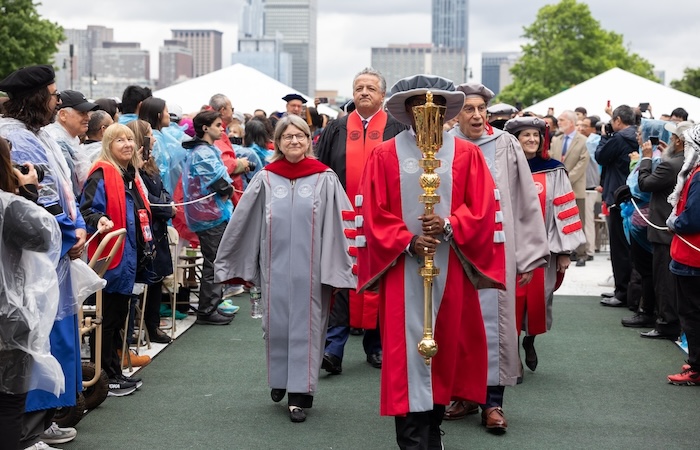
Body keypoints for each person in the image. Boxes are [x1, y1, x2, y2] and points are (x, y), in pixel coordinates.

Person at [355, 74, 506, 449]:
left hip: (451, 269)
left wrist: (450, 224)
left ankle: (432, 428)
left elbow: (483, 209)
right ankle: (410, 439)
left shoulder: (467, 155)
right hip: (402, 270)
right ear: (406, 112)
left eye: (436, 107)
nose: (428, 114)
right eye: (419, 107)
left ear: (444, 112)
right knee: (404, 355)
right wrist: (407, 240)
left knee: (445, 351)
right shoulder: (385, 154)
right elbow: (374, 213)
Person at [214, 115, 355, 423]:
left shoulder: (325, 178)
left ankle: (300, 395)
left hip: (313, 272)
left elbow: (340, 224)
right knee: (276, 327)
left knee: (308, 328)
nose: (294, 141)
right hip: (274, 268)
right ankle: (279, 379)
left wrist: (341, 266)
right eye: (287, 137)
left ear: (309, 140)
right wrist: (240, 263)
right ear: (277, 143)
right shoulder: (266, 178)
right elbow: (243, 222)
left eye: (300, 136)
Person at [445, 82, 548, 434]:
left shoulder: (505, 144)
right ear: (456, 112)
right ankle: (463, 394)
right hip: (455, 248)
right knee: (458, 325)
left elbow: (524, 200)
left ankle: (493, 402)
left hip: (498, 248)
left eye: (481, 109)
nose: (476, 115)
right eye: (468, 109)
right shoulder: (444, 145)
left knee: (497, 327)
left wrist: (529, 255)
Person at [0, 64, 86, 449]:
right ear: (37, 98)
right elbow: (40, 201)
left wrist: (77, 226)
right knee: (30, 345)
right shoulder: (14, 137)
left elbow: (64, 187)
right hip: (30, 263)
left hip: (54, 255)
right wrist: (69, 232)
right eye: (53, 95)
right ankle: (28, 429)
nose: (57, 101)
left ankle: (42, 420)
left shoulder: (41, 135)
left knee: (50, 336)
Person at [315, 68, 408, 374]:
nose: (364, 92)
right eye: (358, 87)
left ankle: (376, 346)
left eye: (370, 88)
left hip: (383, 219)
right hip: (343, 220)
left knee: (380, 279)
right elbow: (323, 170)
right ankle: (334, 348)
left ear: (383, 95)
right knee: (341, 279)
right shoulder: (337, 128)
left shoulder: (398, 128)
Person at [504, 117, 585, 372]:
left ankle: (529, 340)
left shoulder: (554, 169)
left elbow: (564, 210)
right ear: (515, 139)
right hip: (509, 248)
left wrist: (564, 252)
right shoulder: (503, 167)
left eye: (535, 135)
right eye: (525, 135)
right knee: (510, 301)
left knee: (541, 298)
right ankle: (512, 350)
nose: (531, 139)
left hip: (546, 249)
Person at [80, 123, 155, 394]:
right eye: (119, 140)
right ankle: (106, 376)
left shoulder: (129, 175)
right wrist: (100, 219)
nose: (127, 144)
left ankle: (114, 371)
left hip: (128, 258)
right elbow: (86, 210)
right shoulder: (101, 173)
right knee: (107, 318)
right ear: (108, 145)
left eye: (130, 140)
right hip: (111, 259)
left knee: (117, 316)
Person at [0, 137, 63, 450]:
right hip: (7, 321)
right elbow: (42, 238)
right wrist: (27, 191)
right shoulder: (8, 207)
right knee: (9, 405)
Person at [633, 121, 691, 339]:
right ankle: (671, 322)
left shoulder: (672, 165)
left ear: (678, 141)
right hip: (676, 228)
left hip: (664, 228)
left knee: (664, 279)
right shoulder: (683, 162)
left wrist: (646, 157)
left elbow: (645, 184)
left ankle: (667, 324)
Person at [181, 110, 235, 326]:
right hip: (209, 216)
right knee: (214, 261)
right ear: (205, 128)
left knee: (215, 260)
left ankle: (212, 305)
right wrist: (228, 189)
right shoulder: (203, 152)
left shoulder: (204, 150)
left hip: (210, 214)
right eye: (218, 125)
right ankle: (207, 309)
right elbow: (220, 184)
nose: (222, 129)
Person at [127, 120, 176, 344]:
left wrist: (167, 204)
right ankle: (139, 329)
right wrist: (166, 208)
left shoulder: (150, 163)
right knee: (146, 281)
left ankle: (152, 325)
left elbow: (162, 190)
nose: (154, 139)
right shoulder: (133, 168)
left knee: (157, 281)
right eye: (150, 135)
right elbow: (145, 198)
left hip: (158, 228)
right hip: (147, 230)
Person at [666, 123, 700, 385]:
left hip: (691, 256)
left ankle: (697, 367)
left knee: (691, 314)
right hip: (689, 254)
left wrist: (675, 222)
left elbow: (692, 219)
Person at [595, 105, 637, 307]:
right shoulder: (636, 135)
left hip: (618, 197)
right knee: (628, 247)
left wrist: (604, 137)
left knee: (619, 248)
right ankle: (627, 290)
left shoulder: (619, 138)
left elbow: (601, 157)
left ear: (618, 120)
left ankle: (622, 292)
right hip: (630, 194)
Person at [549, 110, 590, 266]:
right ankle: (566, 250)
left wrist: (565, 179)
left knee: (578, 221)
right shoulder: (556, 140)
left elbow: (582, 164)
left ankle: (581, 253)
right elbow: (552, 159)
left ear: (571, 122)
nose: (558, 122)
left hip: (575, 187)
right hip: (557, 188)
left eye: (561, 120)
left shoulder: (584, 140)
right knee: (561, 219)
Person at [44, 90, 99, 196]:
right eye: (82, 113)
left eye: (87, 113)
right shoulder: (59, 142)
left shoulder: (70, 138)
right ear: (63, 115)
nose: (88, 118)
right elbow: (69, 188)